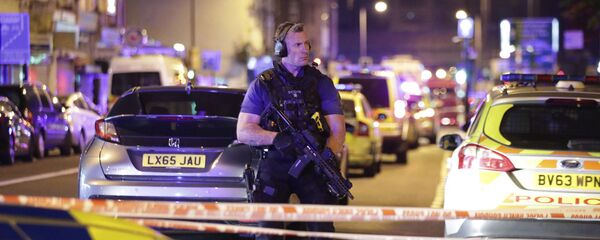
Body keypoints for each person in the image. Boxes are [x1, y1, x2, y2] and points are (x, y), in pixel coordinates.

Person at [237, 22, 346, 239]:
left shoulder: (322, 83)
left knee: (321, 232)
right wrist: (276, 138)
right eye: (297, 45)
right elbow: (243, 131)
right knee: (268, 232)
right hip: (275, 165)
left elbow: (337, 130)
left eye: (306, 44)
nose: (304, 49)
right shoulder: (263, 84)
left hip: (313, 167)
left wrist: (329, 154)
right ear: (281, 50)